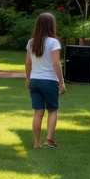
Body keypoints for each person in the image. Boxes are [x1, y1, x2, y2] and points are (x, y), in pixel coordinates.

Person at [25, 13, 65, 149]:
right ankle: (49, 139)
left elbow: (28, 62)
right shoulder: (54, 42)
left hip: (35, 80)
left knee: (38, 112)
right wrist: (61, 81)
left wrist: (28, 78)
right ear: (52, 26)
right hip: (49, 80)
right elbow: (56, 63)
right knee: (52, 110)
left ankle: (36, 143)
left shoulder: (31, 42)